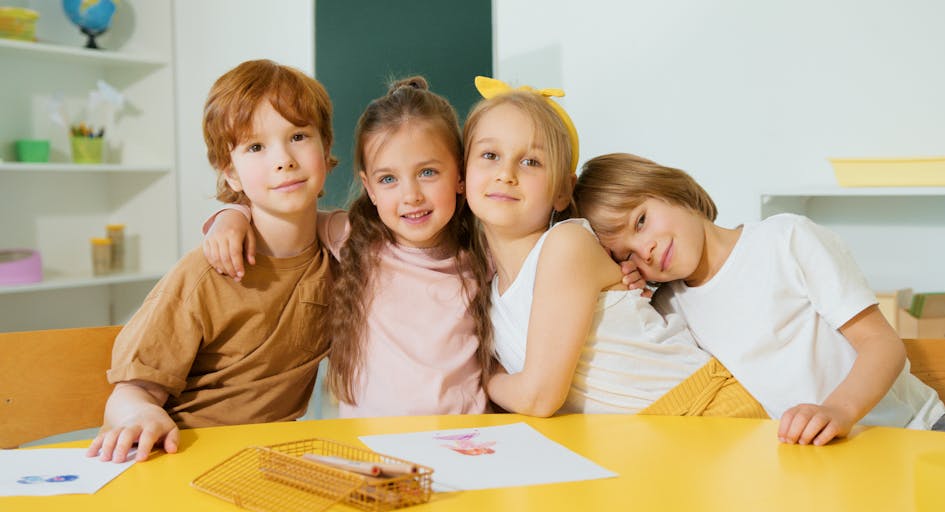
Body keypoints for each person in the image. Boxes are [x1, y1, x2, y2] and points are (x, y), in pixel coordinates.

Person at [573, 152, 945, 444]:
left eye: (641, 221)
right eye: (625, 254)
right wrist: (628, 286)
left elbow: (881, 344)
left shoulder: (785, 239)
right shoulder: (671, 304)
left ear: (672, 190)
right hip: (831, 457)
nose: (643, 249)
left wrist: (839, 411)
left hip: (919, 432)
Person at [463, 77, 767, 418]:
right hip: (636, 438)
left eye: (531, 162)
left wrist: (480, 376)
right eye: (490, 155)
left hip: (704, 410)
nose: (506, 173)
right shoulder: (490, 294)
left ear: (564, 191)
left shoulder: (567, 245)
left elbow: (539, 398)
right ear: (463, 174)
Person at [87, 59, 336, 463]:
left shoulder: (341, 258)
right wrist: (140, 415)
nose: (284, 159)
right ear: (230, 173)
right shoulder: (205, 272)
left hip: (267, 461)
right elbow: (131, 392)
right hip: (178, 453)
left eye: (299, 136)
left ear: (325, 148)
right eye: (256, 147)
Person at [200, 76, 493, 418]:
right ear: (370, 188)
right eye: (388, 179)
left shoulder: (483, 253)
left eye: (427, 172)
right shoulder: (355, 238)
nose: (411, 195)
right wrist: (231, 214)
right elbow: (282, 215)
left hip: (464, 441)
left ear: (460, 175)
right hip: (373, 451)